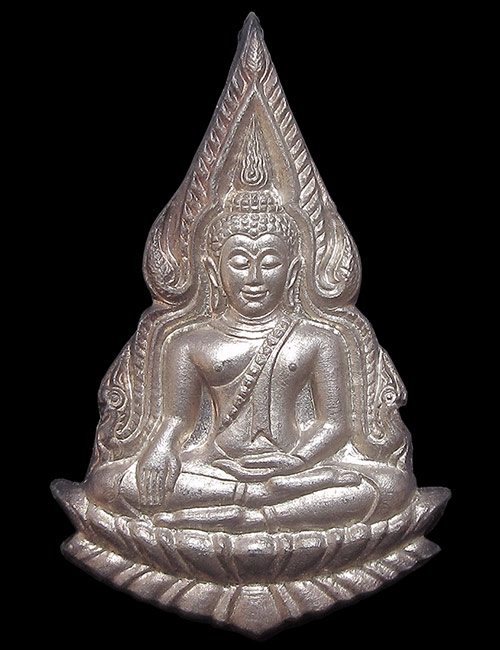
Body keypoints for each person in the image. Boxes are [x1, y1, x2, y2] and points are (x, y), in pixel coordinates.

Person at [83, 207, 416, 533]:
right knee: (109, 484)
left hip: (294, 468)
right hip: (215, 467)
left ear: (293, 271)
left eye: (269, 263)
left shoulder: (319, 339)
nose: (254, 278)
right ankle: (258, 501)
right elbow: (176, 420)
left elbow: (335, 424)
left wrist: (298, 461)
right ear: (213, 271)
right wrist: (160, 449)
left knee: (391, 487)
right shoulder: (188, 342)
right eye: (240, 263)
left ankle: (251, 519)